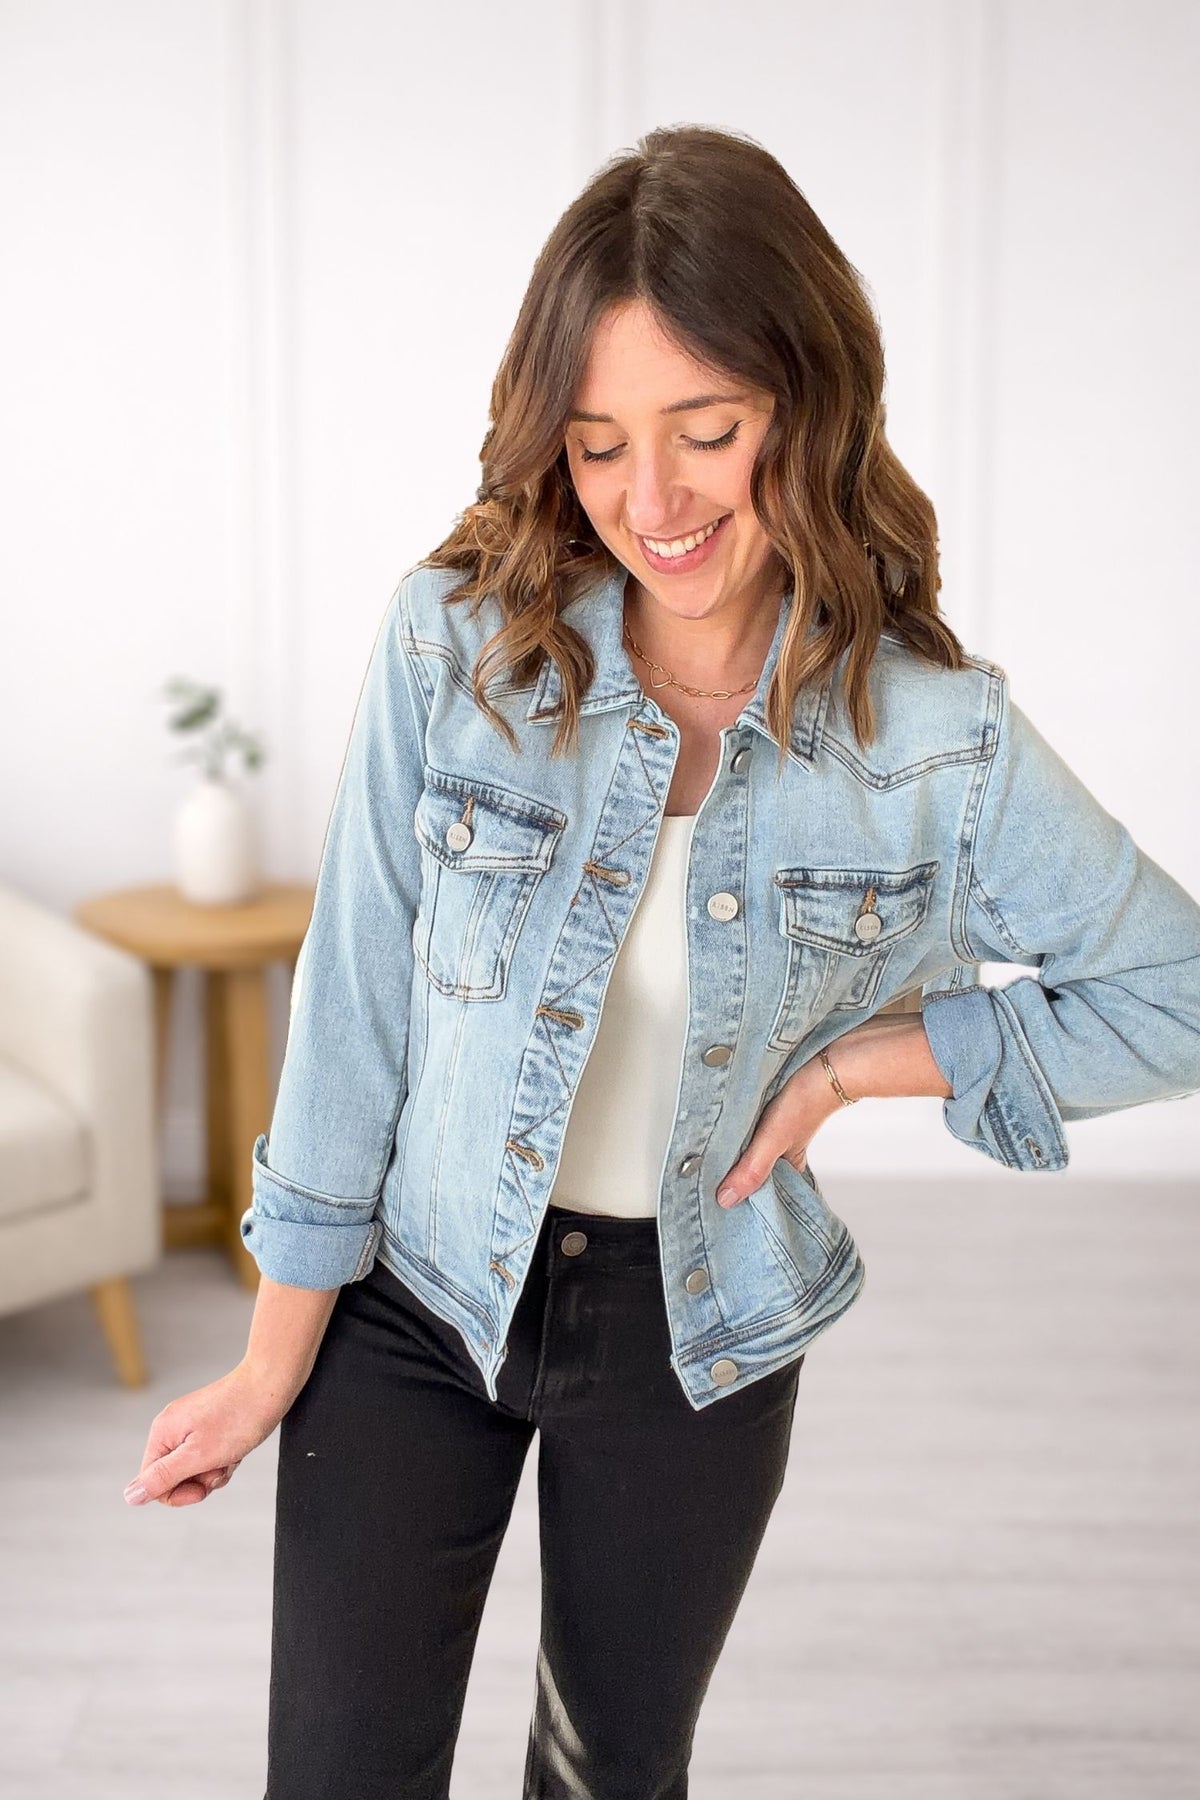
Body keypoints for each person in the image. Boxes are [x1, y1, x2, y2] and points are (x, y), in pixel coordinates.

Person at [123, 124, 1200, 1799]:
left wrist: (864, 1063)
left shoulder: (931, 742)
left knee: (609, 1771)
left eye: (709, 433)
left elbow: (1176, 990)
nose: (654, 501)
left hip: (695, 1327)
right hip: (418, 1299)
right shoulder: (456, 641)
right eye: (602, 443)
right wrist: (277, 1355)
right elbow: (351, 1007)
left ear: (806, 405)